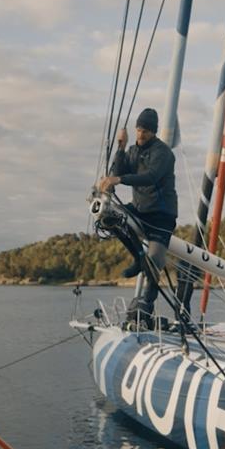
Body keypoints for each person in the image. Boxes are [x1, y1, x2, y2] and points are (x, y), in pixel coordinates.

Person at [98, 108, 177, 325]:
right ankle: (137, 257)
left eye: (146, 132)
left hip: (162, 214)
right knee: (107, 218)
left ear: (154, 132)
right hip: (140, 208)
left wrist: (119, 180)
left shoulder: (164, 153)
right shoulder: (133, 150)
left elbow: (150, 177)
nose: (141, 135)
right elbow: (116, 172)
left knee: (155, 260)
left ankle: (147, 302)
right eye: (139, 130)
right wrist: (121, 148)